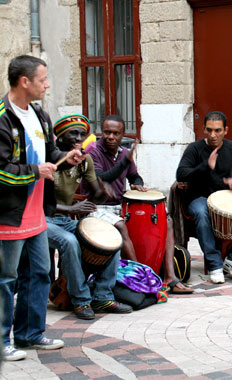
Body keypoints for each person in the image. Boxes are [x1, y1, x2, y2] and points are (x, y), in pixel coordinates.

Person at [0, 55, 83, 361]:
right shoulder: (2, 118)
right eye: (43, 79)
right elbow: (1, 170)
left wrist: (65, 157)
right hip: (9, 215)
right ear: (25, 82)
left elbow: (49, 152)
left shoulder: (40, 115)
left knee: (39, 274)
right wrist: (36, 171)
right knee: (6, 279)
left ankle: (30, 334)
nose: (47, 84)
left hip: (37, 213)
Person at [82, 115, 193, 293]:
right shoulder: (93, 153)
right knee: (122, 226)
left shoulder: (124, 154)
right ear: (101, 132)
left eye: (116, 133)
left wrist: (137, 183)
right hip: (96, 207)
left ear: (122, 135)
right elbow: (102, 177)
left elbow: (134, 175)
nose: (111, 137)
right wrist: (124, 163)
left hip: (119, 205)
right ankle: (142, 277)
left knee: (167, 221)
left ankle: (170, 277)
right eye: (107, 132)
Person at [45, 114, 133, 320]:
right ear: (59, 139)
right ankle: (81, 300)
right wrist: (71, 208)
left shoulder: (85, 161)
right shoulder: (50, 160)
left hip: (66, 220)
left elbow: (96, 192)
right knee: (70, 242)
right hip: (43, 220)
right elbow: (41, 203)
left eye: (82, 134)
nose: (78, 138)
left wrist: (103, 190)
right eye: (72, 133)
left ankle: (103, 295)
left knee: (110, 237)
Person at [176, 111, 232, 284]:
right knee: (201, 212)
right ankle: (215, 264)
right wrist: (205, 166)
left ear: (225, 130)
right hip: (199, 197)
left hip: (225, 197)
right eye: (209, 130)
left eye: (218, 130)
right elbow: (181, 173)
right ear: (204, 130)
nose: (213, 135)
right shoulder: (194, 149)